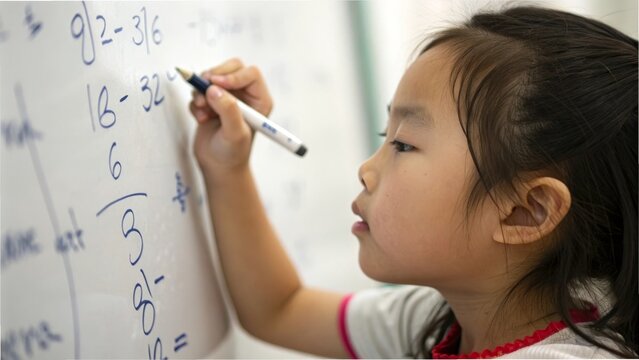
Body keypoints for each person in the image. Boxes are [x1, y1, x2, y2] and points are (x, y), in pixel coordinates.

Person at [188, 5, 637, 358]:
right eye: (387, 137)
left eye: (402, 144)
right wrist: (228, 168)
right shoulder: (438, 320)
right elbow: (280, 309)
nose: (366, 168)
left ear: (525, 212)